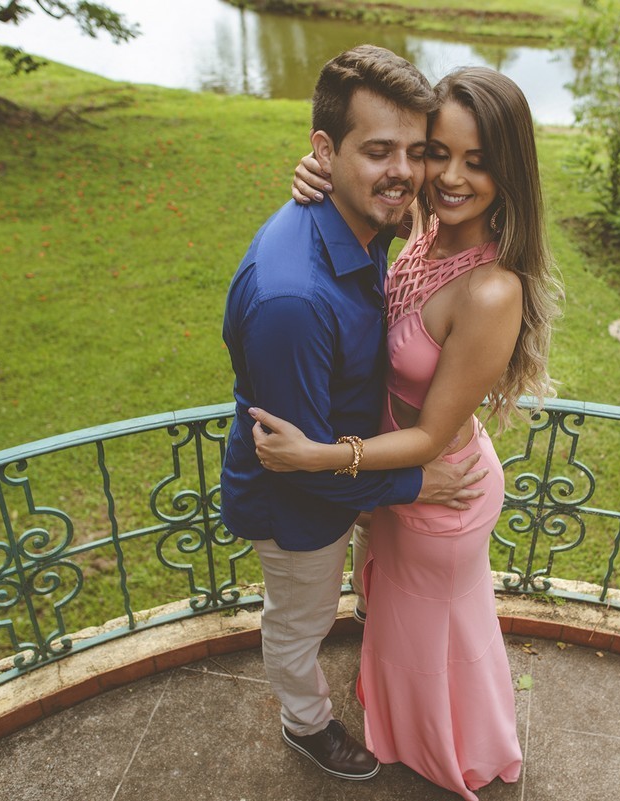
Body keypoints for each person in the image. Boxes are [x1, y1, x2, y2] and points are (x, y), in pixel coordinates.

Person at [250, 66, 561, 801]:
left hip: (437, 491)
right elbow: (365, 196)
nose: (447, 177)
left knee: (436, 640)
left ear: (508, 170)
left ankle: (452, 744)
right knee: (401, 623)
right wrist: (315, 174)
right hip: (393, 486)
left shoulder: (492, 290)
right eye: (436, 153)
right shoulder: (426, 222)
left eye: (476, 162)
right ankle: (395, 716)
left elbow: (426, 440)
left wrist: (321, 457)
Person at [220, 46, 490, 783]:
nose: (404, 172)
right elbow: (300, 467)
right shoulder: (293, 303)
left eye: (415, 151)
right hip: (300, 504)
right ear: (323, 151)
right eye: (377, 151)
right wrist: (413, 486)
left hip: (356, 465)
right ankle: (305, 721)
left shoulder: (369, 219)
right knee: (299, 620)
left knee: (356, 589)